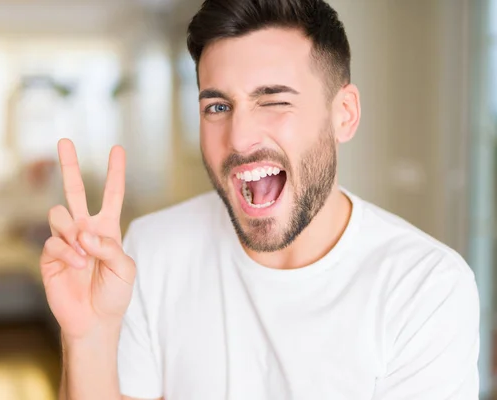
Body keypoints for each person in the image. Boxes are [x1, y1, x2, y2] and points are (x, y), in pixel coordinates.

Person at [40, 0, 480, 399]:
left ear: (343, 115)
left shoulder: (425, 287)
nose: (239, 138)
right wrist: (89, 338)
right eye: (217, 107)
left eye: (273, 101)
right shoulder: (151, 250)